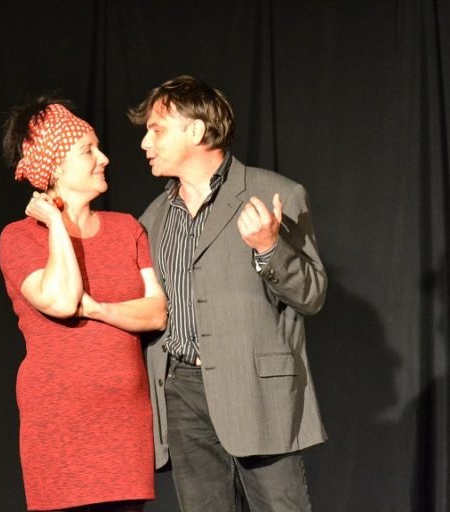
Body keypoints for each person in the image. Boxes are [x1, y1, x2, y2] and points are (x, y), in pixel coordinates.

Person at [127, 75, 328, 511]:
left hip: (256, 391)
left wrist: (269, 248)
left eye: (156, 130)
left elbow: (312, 294)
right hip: (182, 392)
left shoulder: (276, 193)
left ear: (196, 131)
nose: (145, 143)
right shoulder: (152, 219)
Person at [0, 97, 167, 512]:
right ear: (55, 167)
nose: (103, 158)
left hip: (123, 422)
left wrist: (96, 309)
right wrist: (57, 224)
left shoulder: (127, 229)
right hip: (60, 423)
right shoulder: (20, 237)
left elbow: (156, 313)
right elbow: (61, 300)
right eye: (87, 150)